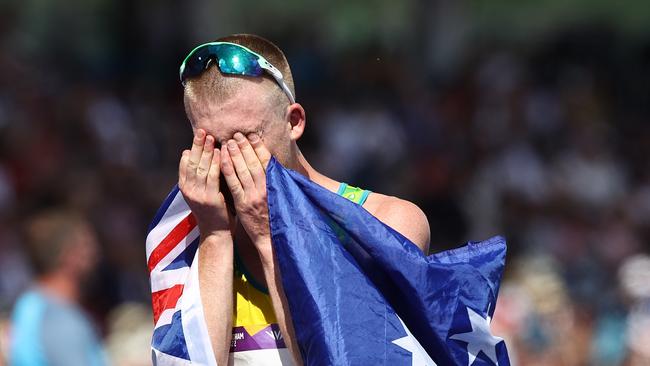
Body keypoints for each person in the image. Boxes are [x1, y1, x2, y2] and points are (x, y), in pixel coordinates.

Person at [177, 34, 430, 365]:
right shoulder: (187, 243)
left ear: (294, 122)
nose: (229, 161)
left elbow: (347, 356)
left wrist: (269, 236)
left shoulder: (385, 223)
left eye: (245, 140)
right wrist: (214, 236)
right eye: (211, 144)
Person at [9, 209, 106, 366]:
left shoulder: (30, 304)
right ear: (68, 255)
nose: (96, 253)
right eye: (87, 245)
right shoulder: (59, 319)